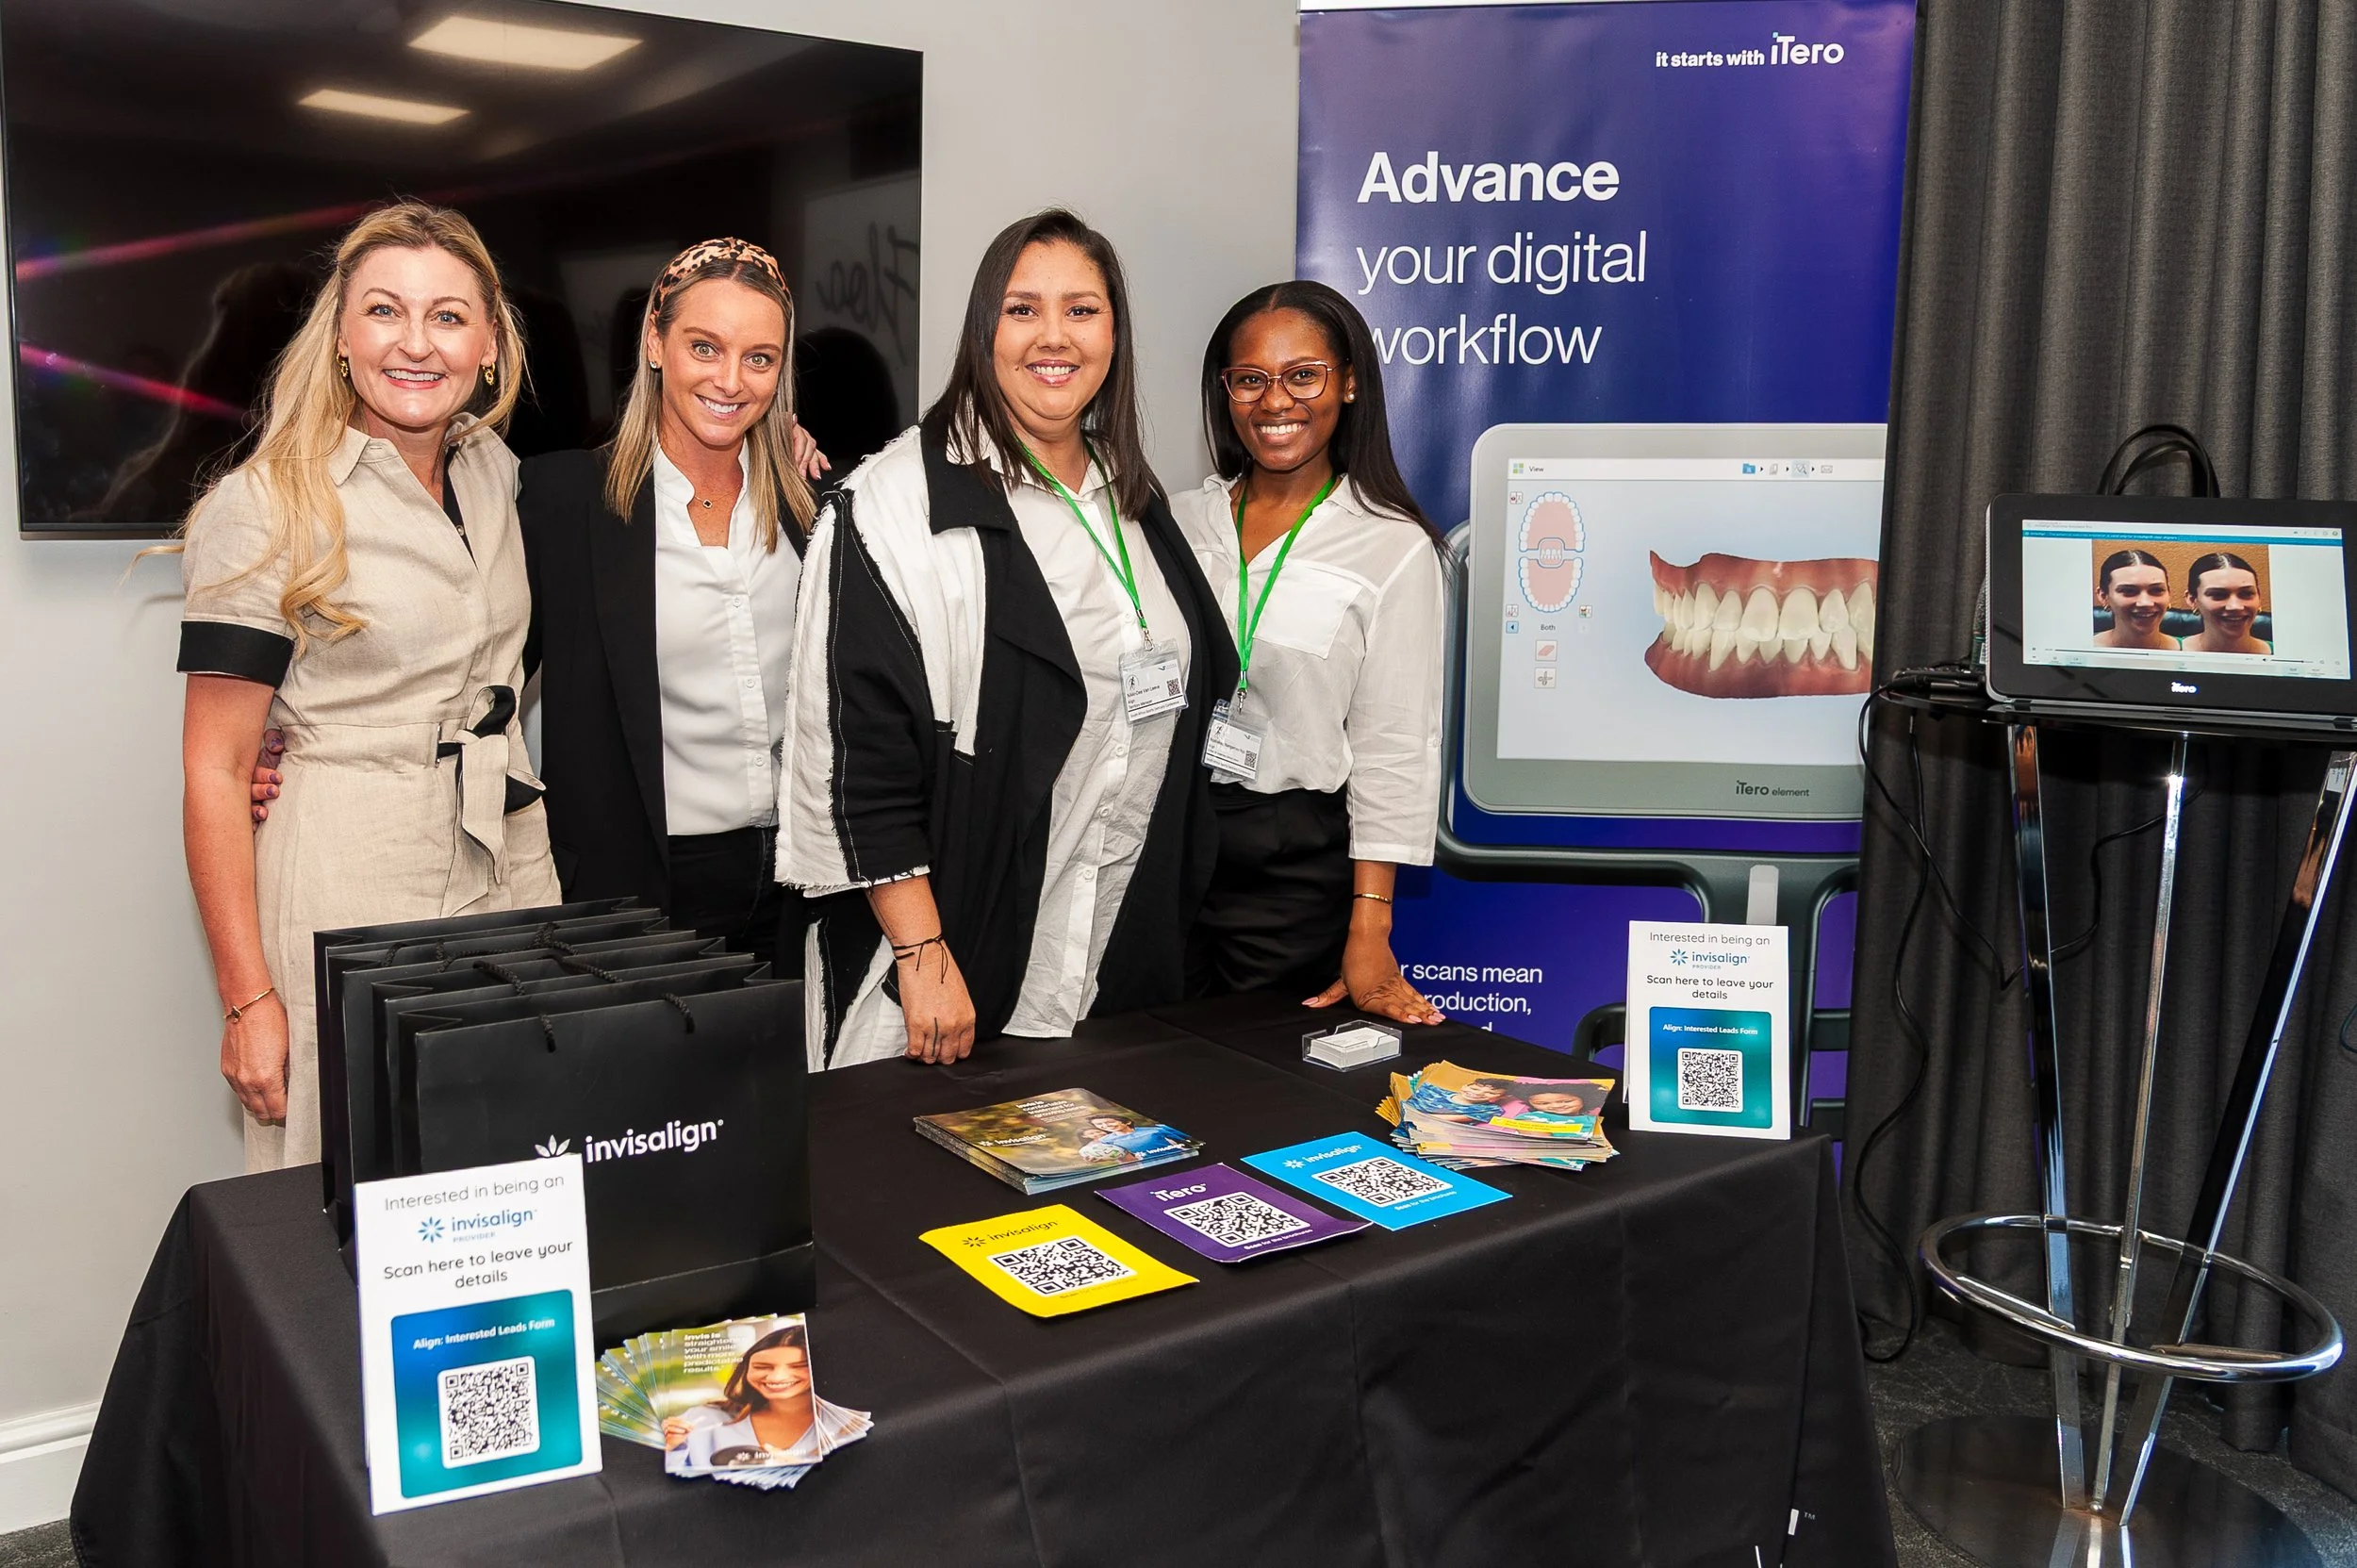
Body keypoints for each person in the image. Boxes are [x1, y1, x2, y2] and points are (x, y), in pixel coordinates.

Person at [777, 209, 1236, 1069]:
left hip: (1111, 965)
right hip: (956, 967)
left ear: (1114, 332)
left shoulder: (1131, 494)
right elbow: (857, 756)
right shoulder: (896, 505)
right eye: (1022, 309)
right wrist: (920, 953)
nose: (1053, 337)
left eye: (1082, 310)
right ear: (983, 326)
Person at [173, 202, 559, 1172]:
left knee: (515, 1171)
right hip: (349, 877)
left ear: (490, 343)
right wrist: (248, 999)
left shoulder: (497, 474)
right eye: (386, 311)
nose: (416, 344)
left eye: (448, 316)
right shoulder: (264, 502)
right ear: (341, 337)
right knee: (343, 1196)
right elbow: (217, 770)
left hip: (512, 867)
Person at [515, 239, 824, 969]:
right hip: (638, 894)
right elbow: (474, 678)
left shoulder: (813, 507)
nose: (730, 380)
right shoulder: (565, 503)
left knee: (792, 1087)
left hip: (797, 886)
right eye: (704, 346)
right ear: (655, 342)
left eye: (759, 357)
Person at [1172, 282, 1448, 1025]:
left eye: (1304, 375)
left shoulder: (1391, 547)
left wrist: (1370, 929)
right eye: (1250, 379)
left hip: (1287, 868)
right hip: (1161, 848)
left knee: (1259, 1082)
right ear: (1225, 391)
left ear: (1349, 381)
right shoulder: (1175, 522)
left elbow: (1394, 747)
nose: (1276, 402)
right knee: (1142, 1076)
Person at [663, 1324, 820, 1469]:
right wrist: (671, 1448)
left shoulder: (837, 1426)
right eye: (762, 1367)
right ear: (745, 1370)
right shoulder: (703, 1419)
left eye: (798, 1367)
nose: (776, 1377)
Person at [2183, 551, 2272, 653]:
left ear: (2259, 597)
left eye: (2246, 593)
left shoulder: (2286, 654)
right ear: (2192, 600)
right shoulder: (2172, 651)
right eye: (2218, 595)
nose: (2235, 606)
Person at [2091, 548, 2178, 650]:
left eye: (2157, 590)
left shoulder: (2188, 649)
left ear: (2169, 593)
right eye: (2129, 591)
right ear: (2103, 596)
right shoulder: (2080, 648)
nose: (2145, 603)